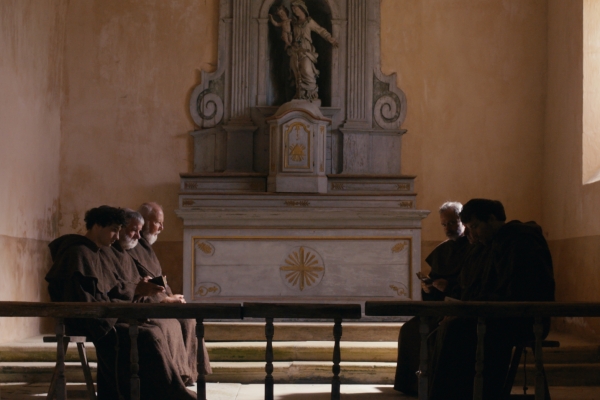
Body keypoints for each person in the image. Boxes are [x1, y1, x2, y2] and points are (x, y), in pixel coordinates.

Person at [45, 206, 198, 400]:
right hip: (89, 320)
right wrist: (129, 298)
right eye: (114, 230)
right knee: (148, 335)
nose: (117, 237)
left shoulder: (94, 252)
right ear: (97, 226)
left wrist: (134, 294)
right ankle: (164, 394)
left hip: (105, 315)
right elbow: (82, 300)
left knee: (152, 329)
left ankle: (159, 392)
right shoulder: (77, 253)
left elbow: (108, 292)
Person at [428, 199, 555, 400]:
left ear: (492, 219)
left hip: (522, 318)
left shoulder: (521, 241)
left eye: (475, 226)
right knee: (445, 327)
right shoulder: (493, 243)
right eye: (469, 228)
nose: (472, 234)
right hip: (497, 313)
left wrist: (466, 310)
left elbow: (517, 292)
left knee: (457, 331)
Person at [107, 208, 211, 385]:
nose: (138, 236)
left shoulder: (140, 247)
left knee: (187, 319)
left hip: (145, 300)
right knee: (166, 324)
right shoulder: (113, 251)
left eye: (139, 231)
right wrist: (164, 300)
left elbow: (155, 277)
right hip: (134, 306)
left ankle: (187, 373)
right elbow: (123, 287)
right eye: (157, 222)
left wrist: (169, 295)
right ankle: (171, 378)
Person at [394, 202, 470, 396]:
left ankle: (435, 386)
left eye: (452, 223)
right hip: (439, 308)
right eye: (444, 224)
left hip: (460, 307)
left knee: (437, 334)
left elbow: (472, 283)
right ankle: (412, 385)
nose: (448, 228)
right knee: (409, 330)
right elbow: (434, 284)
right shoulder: (442, 251)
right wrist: (429, 288)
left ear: (462, 221)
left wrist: (449, 287)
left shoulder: (474, 247)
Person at [288, 0, 338, 100]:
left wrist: (329, 38)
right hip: (295, 50)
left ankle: (311, 93)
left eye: (296, 8)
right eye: (293, 9)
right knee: (297, 72)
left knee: (307, 70)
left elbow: (320, 30)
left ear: (302, 8)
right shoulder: (294, 23)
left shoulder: (309, 21)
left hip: (306, 50)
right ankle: (300, 94)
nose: (294, 11)